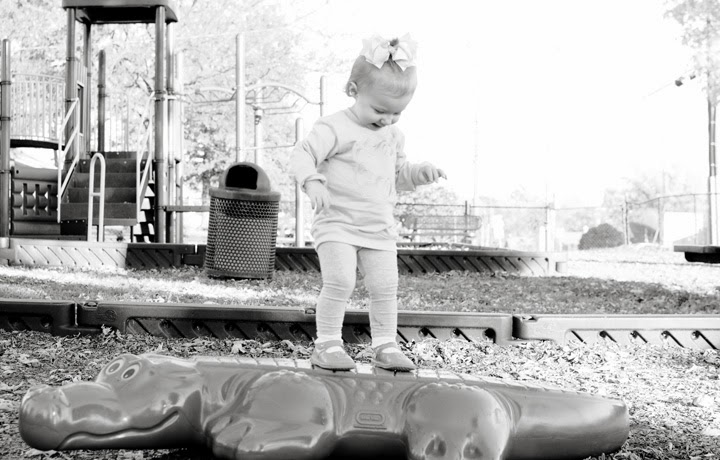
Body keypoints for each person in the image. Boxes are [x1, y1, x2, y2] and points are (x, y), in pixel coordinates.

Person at [290, 34, 446, 371]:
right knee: (340, 281)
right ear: (353, 90)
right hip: (337, 223)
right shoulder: (334, 127)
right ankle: (327, 343)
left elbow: (397, 176)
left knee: (385, 287)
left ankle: (386, 345)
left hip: (378, 229)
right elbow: (302, 154)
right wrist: (312, 180)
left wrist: (419, 174)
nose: (387, 119)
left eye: (396, 113)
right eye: (379, 110)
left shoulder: (393, 136)